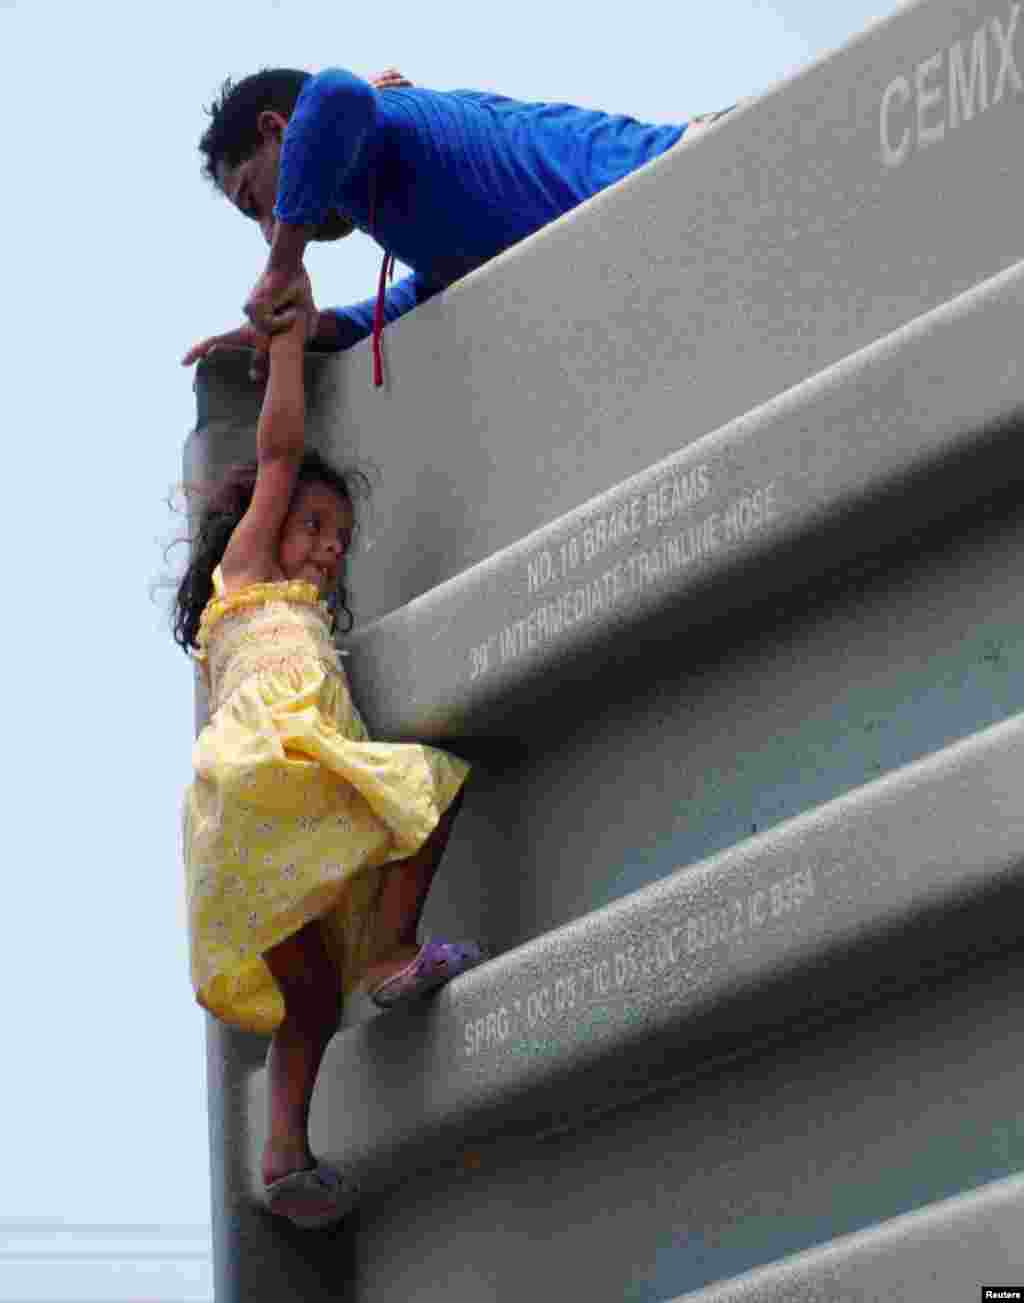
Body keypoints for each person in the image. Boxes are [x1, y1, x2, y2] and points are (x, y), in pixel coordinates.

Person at [176, 275, 482, 1228]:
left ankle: (285, 1157)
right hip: (278, 770)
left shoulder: (300, 616)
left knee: (309, 1000)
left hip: (258, 832)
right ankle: (390, 948)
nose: (328, 548)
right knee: (429, 786)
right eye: (314, 525)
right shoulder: (248, 573)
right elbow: (278, 451)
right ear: (260, 529)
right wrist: (282, 349)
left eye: (341, 537)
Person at [183, 67, 735, 385]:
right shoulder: (387, 194)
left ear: (277, 129)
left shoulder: (376, 118)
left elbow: (334, 95)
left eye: (255, 200)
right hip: (673, 223)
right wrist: (315, 329)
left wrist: (284, 264)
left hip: (700, 171)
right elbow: (428, 293)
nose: (268, 227)